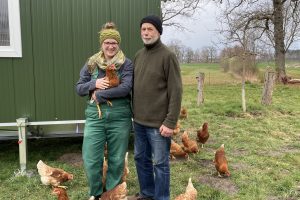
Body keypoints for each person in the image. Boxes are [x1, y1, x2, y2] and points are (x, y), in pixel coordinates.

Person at [75, 22, 133, 199]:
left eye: (114, 43)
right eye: (107, 42)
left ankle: (111, 194)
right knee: (91, 159)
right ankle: (96, 193)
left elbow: (126, 88)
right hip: (95, 116)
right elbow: (79, 88)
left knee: (116, 160)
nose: (110, 46)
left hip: (119, 116)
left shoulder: (126, 64)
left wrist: (99, 95)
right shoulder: (92, 63)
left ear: (118, 44)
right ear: (102, 44)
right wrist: (94, 84)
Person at [133, 15, 183, 200]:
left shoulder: (167, 56)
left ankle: (161, 197)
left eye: (150, 29)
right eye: (143, 29)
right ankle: (147, 193)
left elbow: (176, 90)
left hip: (159, 125)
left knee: (160, 164)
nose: (146, 33)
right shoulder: (139, 55)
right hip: (139, 121)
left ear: (158, 32)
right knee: (141, 159)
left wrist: (170, 122)